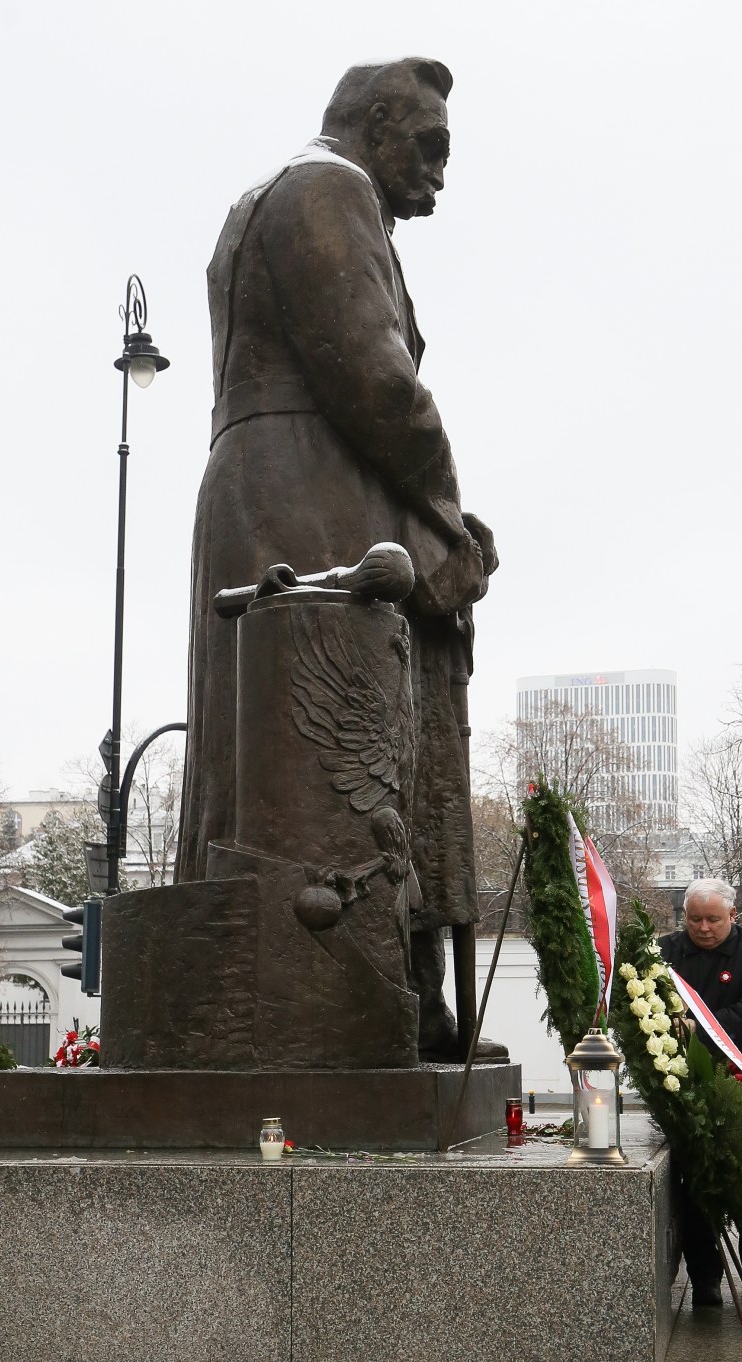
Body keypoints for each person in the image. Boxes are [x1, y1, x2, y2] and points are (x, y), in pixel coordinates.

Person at [175, 58, 499, 1059]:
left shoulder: (268, 199)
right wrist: (446, 522)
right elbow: (376, 381)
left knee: (264, 749)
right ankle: (324, 1012)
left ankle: (298, 997)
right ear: (373, 122)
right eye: (428, 144)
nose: (441, 172)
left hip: (272, 481)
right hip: (308, 491)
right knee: (324, 746)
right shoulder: (327, 191)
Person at [659, 878, 742, 1306]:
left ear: (733, 916)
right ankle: (706, 1277)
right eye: (694, 919)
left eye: (713, 919)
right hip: (686, 1086)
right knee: (696, 1187)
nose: (704, 928)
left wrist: (699, 1027)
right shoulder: (666, 953)